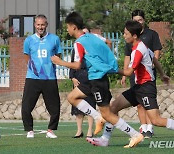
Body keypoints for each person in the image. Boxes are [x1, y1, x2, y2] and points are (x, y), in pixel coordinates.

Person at [51, 11, 144, 148]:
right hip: (93, 77)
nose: (67, 29)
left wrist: (60, 62)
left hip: (97, 79)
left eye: (67, 27)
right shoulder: (92, 36)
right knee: (72, 97)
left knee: (108, 114)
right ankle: (98, 119)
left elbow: (77, 65)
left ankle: (135, 134)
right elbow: (108, 43)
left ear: (73, 27)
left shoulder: (78, 43)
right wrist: (102, 63)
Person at [86, 20, 173, 147]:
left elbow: (128, 72)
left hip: (146, 88)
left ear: (134, 36)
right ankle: (105, 139)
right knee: (113, 107)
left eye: (126, 33)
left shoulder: (138, 50)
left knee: (156, 120)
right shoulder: (141, 46)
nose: (124, 35)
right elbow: (154, 59)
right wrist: (162, 74)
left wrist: (110, 69)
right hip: (137, 87)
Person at [120, 9, 162, 138]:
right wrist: (123, 73)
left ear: (144, 20)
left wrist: (111, 69)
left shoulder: (150, 35)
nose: (138, 22)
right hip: (135, 76)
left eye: (140, 20)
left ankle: (150, 127)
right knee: (137, 103)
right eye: (135, 20)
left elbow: (155, 54)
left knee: (151, 109)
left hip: (146, 78)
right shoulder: (130, 39)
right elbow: (128, 56)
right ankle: (143, 128)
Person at [21, 14, 61, 138]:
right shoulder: (29, 40)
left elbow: (58, 55)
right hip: (33, 77)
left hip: (50, 78)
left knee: (55, 107)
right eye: (38, 24)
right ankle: (29, 130)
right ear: (34, 25)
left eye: (42, 24)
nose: (40, 27)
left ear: (46, 25)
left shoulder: (55, 39)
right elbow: (26, 55)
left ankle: (50, 130)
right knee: (26, 106)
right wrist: (32, 67)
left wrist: (50, 65)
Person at [70, 28, 112, 138]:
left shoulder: (94, 41)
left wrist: (59, 62)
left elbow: (109, 43)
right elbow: (74, 63)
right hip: (83, 77)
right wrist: (72, 77)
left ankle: (94, 129)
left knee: (107, 110)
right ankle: (88, 128)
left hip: (95, 76)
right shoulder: (78, 44)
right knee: (73, 99)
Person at [70, 49, 96, 138]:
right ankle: (79, 130)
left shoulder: (92, 48)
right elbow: (72, 63)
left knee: (90, 104)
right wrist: (72, 77)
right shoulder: (76, 48)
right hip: (78, 78)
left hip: (90, 78)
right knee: (77, 106)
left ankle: (90, 130)